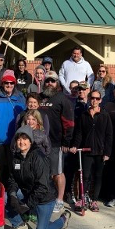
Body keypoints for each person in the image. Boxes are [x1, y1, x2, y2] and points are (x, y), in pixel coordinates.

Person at [6, 126, 71, 229]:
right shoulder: (16, 158)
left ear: (30, 141)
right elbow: (12, 179)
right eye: (19, 139)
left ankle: (62, 220)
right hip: (28, 194)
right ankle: (20, 224)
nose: (21, 142)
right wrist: (12, 194)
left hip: (44, 199)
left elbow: (42, 187)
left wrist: (27, 205)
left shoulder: (39, 158)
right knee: (5, 197)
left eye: (25, 139)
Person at [70, 89, 112, 212]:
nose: (94, 100)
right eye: (92, 98)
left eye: (97, 98)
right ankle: (82, 198)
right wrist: (74, 145)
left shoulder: (105, 115)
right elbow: (79, 133)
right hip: (86, 151)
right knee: (85, 176)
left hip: (100, 151)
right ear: (89, 99)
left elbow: (109, 135)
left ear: (100, 100)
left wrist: (107, 153)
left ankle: (94, 200)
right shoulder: (84, 115)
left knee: (98, 177)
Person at [38, 70, 74, 212]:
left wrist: (66, 142)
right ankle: (45, 197)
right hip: (39, 143)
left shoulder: (62, 99)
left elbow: (69, 123)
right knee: (43, 173)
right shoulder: (39, 98)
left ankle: (59, 199)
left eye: (52, 81)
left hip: (56, 143)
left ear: (57, 83)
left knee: (58, 172)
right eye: (47, 81)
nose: (50, 83)